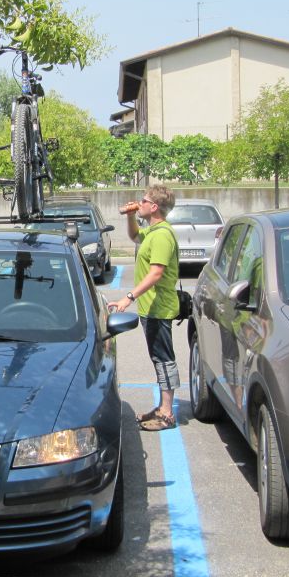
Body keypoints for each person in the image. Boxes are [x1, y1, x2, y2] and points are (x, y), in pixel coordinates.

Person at [108, 184, 181, 431]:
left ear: (155, 206)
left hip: (159, 308)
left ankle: (167, 413)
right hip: (150, 308)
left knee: (164, 359)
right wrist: (130, 216)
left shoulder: (161, 235)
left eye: (144, 200)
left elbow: (156, 273)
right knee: (158, 357)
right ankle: (162, 408)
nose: (140, 203)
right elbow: (134, 237)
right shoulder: (152, 231)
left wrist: (129, 297)